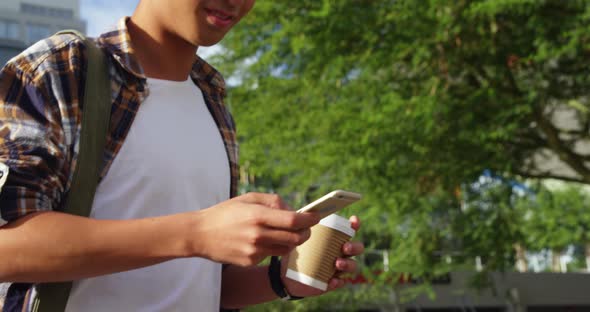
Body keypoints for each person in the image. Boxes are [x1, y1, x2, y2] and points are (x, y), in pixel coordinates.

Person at [0, 0, 365, 311]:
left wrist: (280, 278)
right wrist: (196, 233)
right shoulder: (60, 70)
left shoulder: (211, 97)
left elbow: (196, 280)